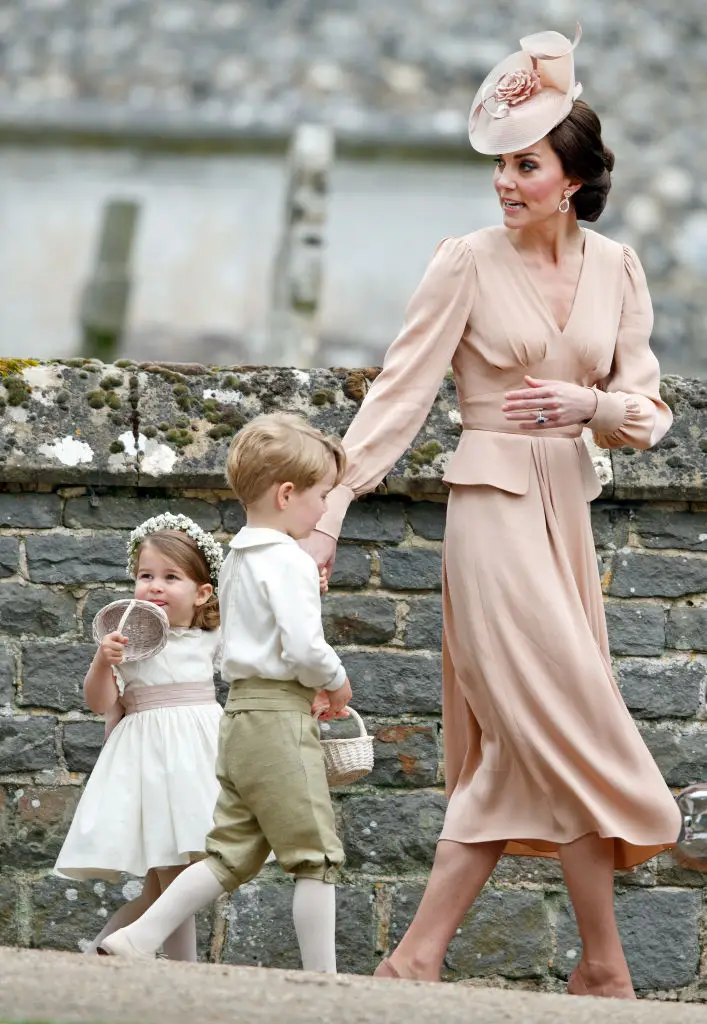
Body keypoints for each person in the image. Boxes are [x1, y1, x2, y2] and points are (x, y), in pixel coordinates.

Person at [300, 26, 681, 999]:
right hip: (491, 515)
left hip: (565, 512)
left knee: (534, 738)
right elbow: (398, 393)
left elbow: (646, 412)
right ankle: (615, 908)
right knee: (567, 713)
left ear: (572, 180)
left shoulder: (618, 268)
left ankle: (545, 963)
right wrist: (334, 503)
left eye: (525, 165)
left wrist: (588, 406)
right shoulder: (464, 262)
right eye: (500, 166)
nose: (505, 183)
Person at [96, 413, 353, 974]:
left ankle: (139, 937)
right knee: (315, 855)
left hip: (239, 717)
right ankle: (325, 980)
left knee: (227, 854)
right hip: (279, 717)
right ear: (287, 493)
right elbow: (304, 647)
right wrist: (335, 681)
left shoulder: (239, 556)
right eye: (322, 496)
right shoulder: (290, 559)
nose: (323, 509)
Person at [55, 513, 225, 961]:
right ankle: (184, 974)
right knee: (173, 878)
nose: (155, 586)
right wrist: (102, 661)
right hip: (152, 763)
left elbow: (259, 651)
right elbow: (100, 702)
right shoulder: (128, 643)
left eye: (171, 577)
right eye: (146, 576)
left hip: (200, 762)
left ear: (201, 592)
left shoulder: (211, 637)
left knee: (162, 891)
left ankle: (99, 956)